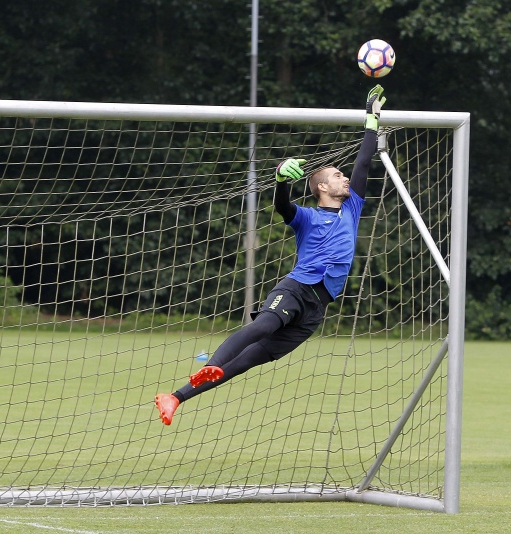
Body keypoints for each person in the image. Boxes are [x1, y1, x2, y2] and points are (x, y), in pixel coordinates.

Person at [154, 85, 387, 425]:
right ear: (322, 187)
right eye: (337, 176)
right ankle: (208, 367)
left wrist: (372, 118)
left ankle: (174, 398)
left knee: (245, 362)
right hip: (296, 288)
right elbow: (281, 205)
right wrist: (280, 179)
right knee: (263, 325)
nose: (345, 178)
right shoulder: (307, 217)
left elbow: (364, 161)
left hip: (316, 309)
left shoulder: (352, 208)